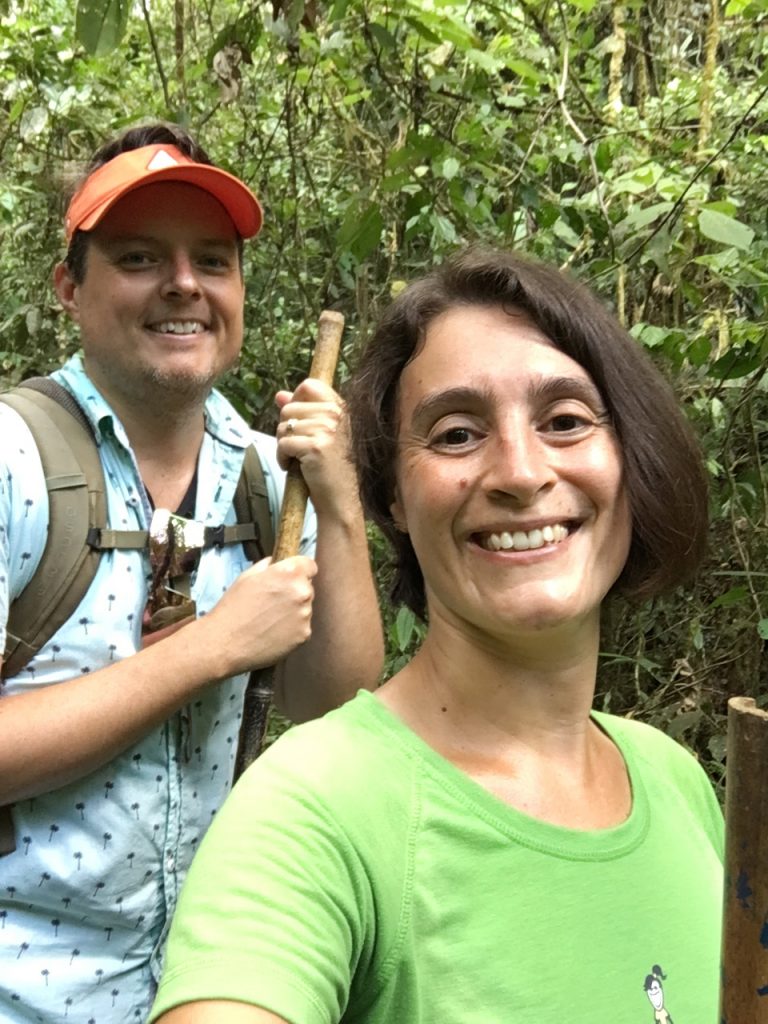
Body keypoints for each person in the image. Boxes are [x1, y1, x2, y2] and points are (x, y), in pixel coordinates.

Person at [150, 248, 723, 1023]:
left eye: (564, 421)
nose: (521, 473)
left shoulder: (676, 781)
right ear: (394, 496)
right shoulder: (312, 810)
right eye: (456, 435)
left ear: (631, 454)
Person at [0, 122, 383, 1022]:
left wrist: (342, 502)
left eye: (212, 261)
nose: (183, 285)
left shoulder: (264, 474)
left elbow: (333, 700)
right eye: (139, 258)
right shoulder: (14, 462)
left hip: (208, 987)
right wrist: (207, 648)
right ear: (70, 288)